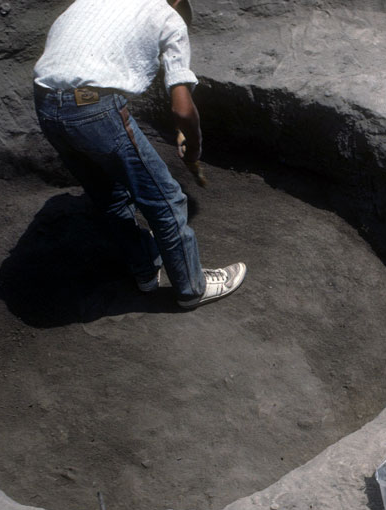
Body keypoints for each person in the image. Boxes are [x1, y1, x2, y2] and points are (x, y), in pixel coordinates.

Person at [33, 0, 246, 309]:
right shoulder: (167, 16)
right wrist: (194, 147)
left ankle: (145, 270)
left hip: (45, 105)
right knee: (166, 198)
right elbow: (182, 108)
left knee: (110, 197)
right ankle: (191, 288)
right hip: (94, 109)